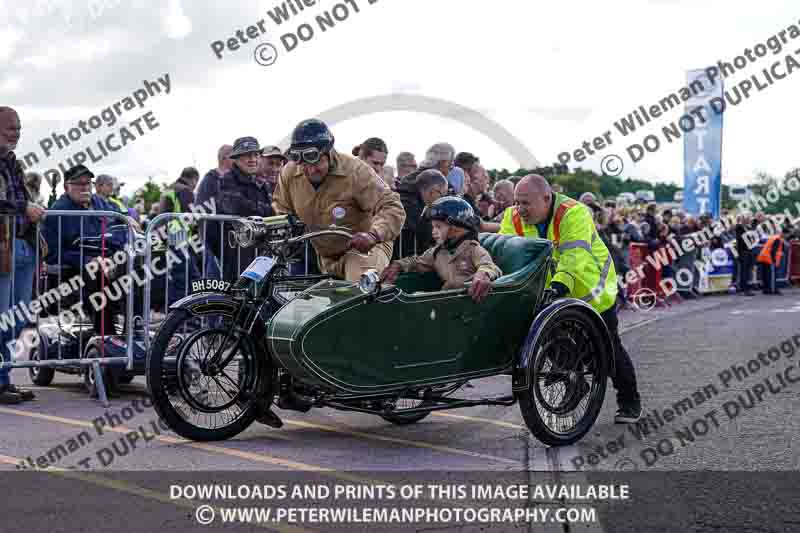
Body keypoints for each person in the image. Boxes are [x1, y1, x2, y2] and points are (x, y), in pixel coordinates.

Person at [500, 174, 642, 423]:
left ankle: (629, 401)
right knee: (549, 340)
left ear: (546, 199)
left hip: (591, 288)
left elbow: (573, 258)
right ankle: (576, 384)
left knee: (607, 352)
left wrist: (557, 287)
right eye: (517, 202)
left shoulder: (573, 213)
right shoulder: (512, 217)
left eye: (526, 204)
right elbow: (507, 253)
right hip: (552, 290)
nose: (520, 210)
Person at [272, 119, 405, 281]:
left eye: (317, 162)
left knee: (357, 292)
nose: (310, 170)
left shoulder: (355, 171)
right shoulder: (289, 174)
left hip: (366, 249)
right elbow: (282, 211)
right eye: (304, 165)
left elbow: (392, 206)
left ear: (329, 153)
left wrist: (373, 235)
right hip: (325, 256)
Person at [42, 164, 130, 338]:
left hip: (107, 262)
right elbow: (51, 253)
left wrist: (113, 255)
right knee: (97, 273)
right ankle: (106, 336)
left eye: (88, 183)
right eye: (79, 184)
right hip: (71, 271)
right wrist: (86, 260)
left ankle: (134, 331)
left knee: (139, 267)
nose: (84, 187)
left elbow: (120, 231)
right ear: (67, 186)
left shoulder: (102, 204)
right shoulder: (56, 211)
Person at [0, 106, 43, 403]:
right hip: (2, 246)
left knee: (17, 317)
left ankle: (4, 378)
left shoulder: (13, 162)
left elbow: (19, 198)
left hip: (23, 246)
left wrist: (32, 208)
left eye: (19, 128)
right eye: (10, 127)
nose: (16, 132)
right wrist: (24, 209)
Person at [382, 196, 501, 302]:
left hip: (468, 302)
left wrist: (482, 275)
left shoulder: (472, 249)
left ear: (457, 228)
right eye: (433, 226)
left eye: (438, 226)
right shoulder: (437, 252)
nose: (433, 232)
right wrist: (398, 265)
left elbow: (489, 266)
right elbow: (417, 261)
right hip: (444, 301)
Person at [196, 137, 273, 282]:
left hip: (259, 251)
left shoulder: (263, 183)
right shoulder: (227, 180)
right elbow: (238, 208)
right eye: (247, 155)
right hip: (235, 253)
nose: (252, 159)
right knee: (236, 296)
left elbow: (268, 211)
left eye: (256, 154)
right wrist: (266, 211)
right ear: (236, 159)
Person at [159, 166, 202, 305]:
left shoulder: (170, 188)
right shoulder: (185, 191)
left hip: (170, 238)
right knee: (188, 279)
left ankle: (176, 317)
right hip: (181, 239)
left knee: (180, 279)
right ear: (194, 179)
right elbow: (192, 217)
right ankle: (182, 319)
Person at [393, 169, 449, 259]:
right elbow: (421, 233)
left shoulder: (409, 198)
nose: (442, 200)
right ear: (433, 192)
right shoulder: (409, 206)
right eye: (442, 195)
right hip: (399, 263)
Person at [756, 231, 785, 295]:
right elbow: (773, 251)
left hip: (764, 257)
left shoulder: (774, 237)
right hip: (769, 258)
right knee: (772, 275)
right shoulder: (778, 239)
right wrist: (774, 261)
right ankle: (773, 289)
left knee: (766, 275)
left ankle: (766, 289)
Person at [735, 214, 756, 296]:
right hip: (742, 251)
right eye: (747, 219)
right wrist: (748, 236)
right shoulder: (739, 227)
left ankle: (747, 288)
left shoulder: (748, 228)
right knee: (743, 271)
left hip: (749, 250)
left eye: (749, 219)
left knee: (747, 271)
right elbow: (740, 238)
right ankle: (743, 289)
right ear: (743, 219)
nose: (749, 220)